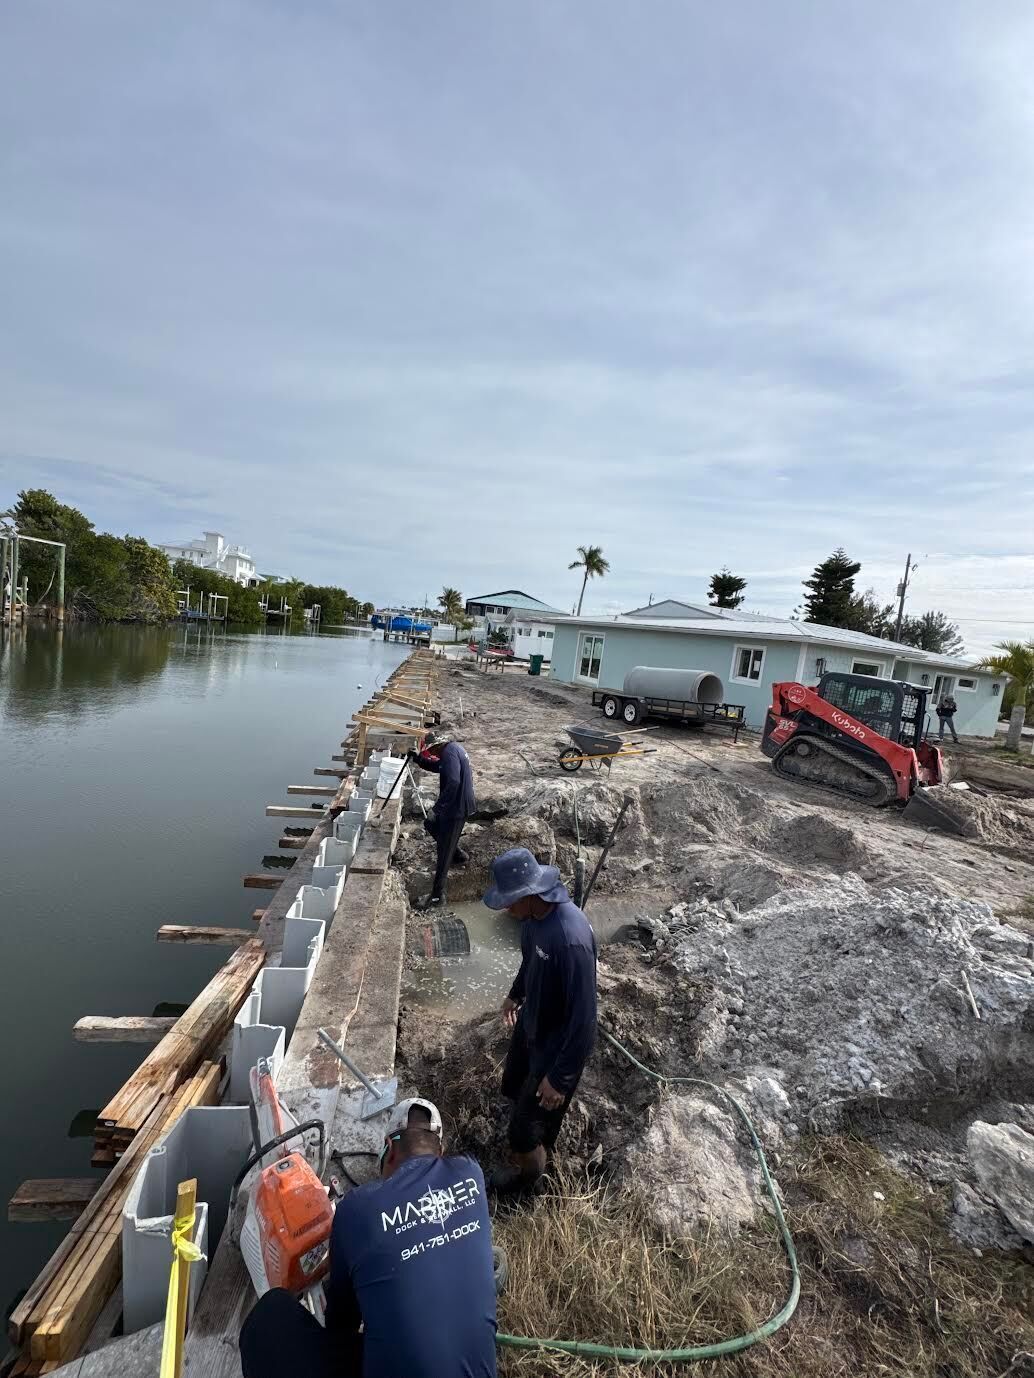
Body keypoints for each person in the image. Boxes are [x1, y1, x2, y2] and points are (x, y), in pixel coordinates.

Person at [239, 1098, 497, 1378]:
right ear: (440, 1150)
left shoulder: (357, 1209)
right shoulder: (471, 1173)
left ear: (389, 1148)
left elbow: (342, 1323)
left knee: (269, 1317)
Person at [482, 848, 598, 1196]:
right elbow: (529, 963)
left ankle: (530, 1185)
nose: (505, 908)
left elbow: (584, 1021)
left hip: (556, 1044)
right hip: (533, 1025)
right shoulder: (532, 922)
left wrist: (559, 1079)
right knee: (515, 1088)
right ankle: (533, 1146)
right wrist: (515, 995)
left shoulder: (570, 939)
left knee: (526, 1128)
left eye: (509, 900)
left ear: (531, 894)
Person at [410, 732, 476, 910]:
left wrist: (437, 808)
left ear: (438, 746)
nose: (433, 754)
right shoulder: (452, 751)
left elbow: (453, 781)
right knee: (430, 825)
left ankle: (438, 896)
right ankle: (458, 854)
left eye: (432, 751)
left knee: (443, 851)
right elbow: (439, 767)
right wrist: (418, 760)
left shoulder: (449, 752)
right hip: (457, 805)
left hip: (456, 808)